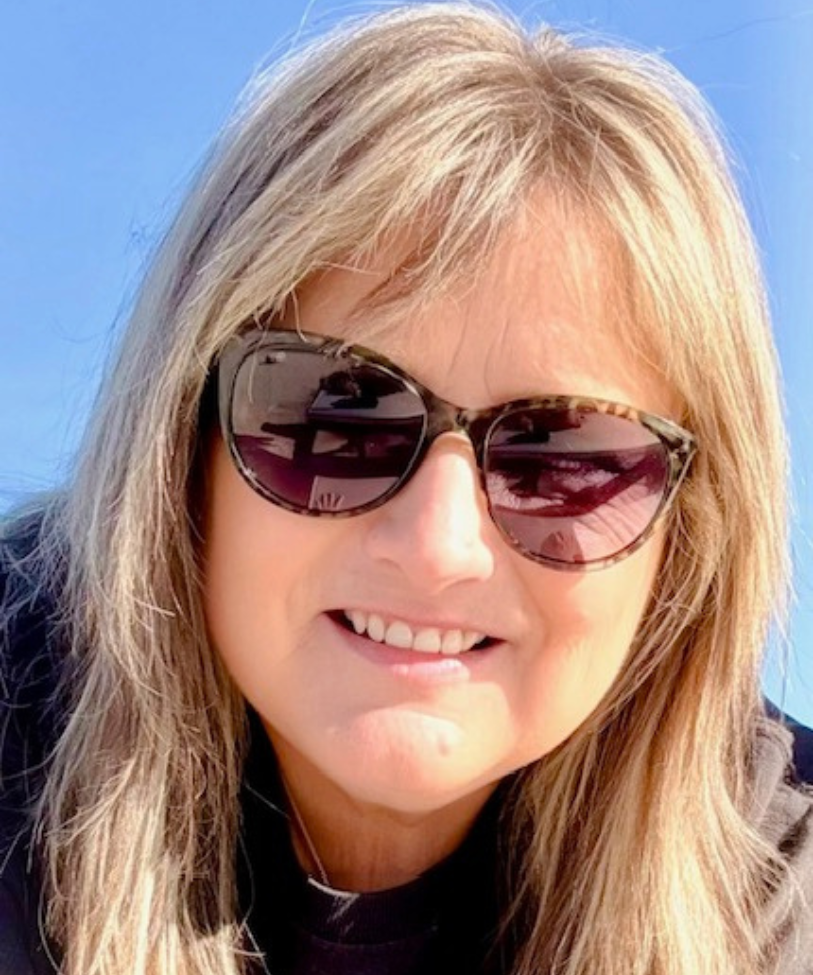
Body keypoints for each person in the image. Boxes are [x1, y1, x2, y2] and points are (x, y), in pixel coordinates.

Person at [1, 4, 812, 974]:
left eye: (564, 460)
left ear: (687, 536)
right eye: (334, 419)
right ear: (180, 444)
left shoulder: (785, 890)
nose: (438, 546)